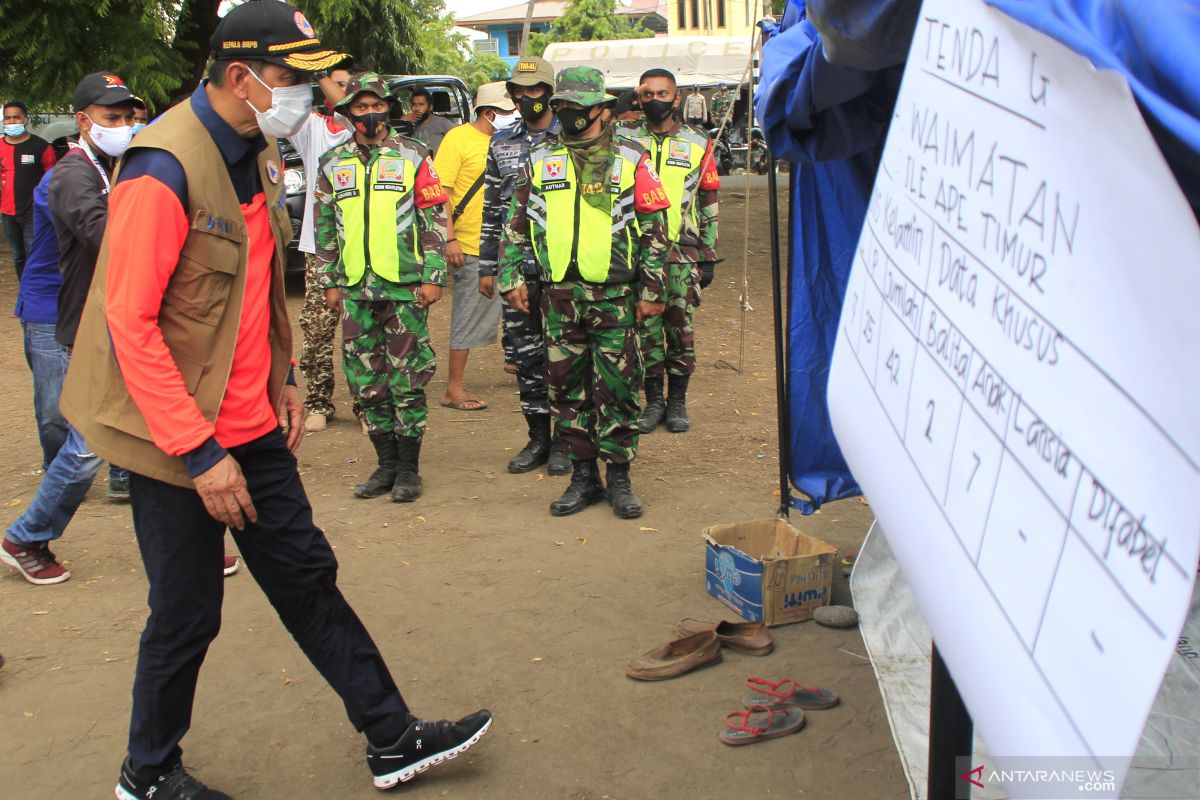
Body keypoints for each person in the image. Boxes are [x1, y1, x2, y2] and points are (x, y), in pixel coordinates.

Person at [59, 5, 489, 797]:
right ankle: (145, 774)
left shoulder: (254, 147)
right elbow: (130, 325)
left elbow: (256, 286)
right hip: (175, 439)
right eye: (295, 77)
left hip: (249, 424)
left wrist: (285, 376)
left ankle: (390, 736)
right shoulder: (161, 170)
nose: (312, 93)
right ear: (240, 78)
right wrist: (197, 453)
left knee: (306, 580)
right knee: (187, 612)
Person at [499, 66, 670, 519]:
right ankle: (583, 478)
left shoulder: (631, 158)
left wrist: (654, 288)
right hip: (558, 296)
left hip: (615, 296)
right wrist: (510, 276)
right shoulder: (539, 160)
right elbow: (516, 225)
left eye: (577, 105)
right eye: (561, 105)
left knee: (616, 390)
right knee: (567, 392)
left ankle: (619, 478)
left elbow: (655, 229)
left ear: (602, 109)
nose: (567, 113)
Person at [1, 72, 137, 586]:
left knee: (137, 431)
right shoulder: (74, 176)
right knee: (80, 439)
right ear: (83, 121)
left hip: (102, 316)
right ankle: (28, 533)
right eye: (113, 118)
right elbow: (108, 237)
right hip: (71, 317)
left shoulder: (107, 167)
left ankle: (185, 543)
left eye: (129, 117)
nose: (125, 126)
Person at [315, 72, 450, 502]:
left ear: (387, 108)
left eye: (377, 106)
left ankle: (409, 469)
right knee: (364, 380)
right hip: (355, 289)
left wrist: (433, 274)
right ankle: (385, 465)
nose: (370, 114)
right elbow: (324, 228)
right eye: (360, 107)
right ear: (348, 112)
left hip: (405, 288)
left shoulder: (415, 155)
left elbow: (433, 218)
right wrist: (329, 281)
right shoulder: (332, 163)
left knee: (407, 378)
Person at [478, 56, 570, 475]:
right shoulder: (501, 142)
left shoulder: (572, 137)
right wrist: (488, 267)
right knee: (526, 358)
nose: (527, 97)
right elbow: (493, 209)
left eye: (536, 90)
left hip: (564, 269)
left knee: (567, 357)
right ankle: (538, 438)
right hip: (517, 269)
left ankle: (568, 442)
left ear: (550, 92)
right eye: (520, 90)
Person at [621, 68, 721, 434]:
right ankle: (654, 401)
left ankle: (677, 400)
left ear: (677, 98)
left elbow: (709, 200)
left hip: (682, 253)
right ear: (639, 97)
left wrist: (708, 254)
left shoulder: (699, 141)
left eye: (663, 94)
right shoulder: (625, 137)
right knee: (644, 329)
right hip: (639, 251)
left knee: (680, 329)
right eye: (648, 95)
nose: (655, 101)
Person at [433, 81, 514, 411]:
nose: (515, 116)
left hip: (508, 244)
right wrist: (449, 238)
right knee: (468, 313)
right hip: (470, 244)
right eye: (509, 111)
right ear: (491, 112)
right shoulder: (458, 139)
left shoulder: (511, 140)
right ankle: (454, 388)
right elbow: (442, 193)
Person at [289, 60, 356, 433]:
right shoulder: (312, 128)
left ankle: (366, 405)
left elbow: (349, 109)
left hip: (361, 249)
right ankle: (318, 401)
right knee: (317, 329)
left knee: (360, 331)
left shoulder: (362, 129)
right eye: (339, 84)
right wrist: (314, 73)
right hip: (321, 249)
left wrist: (327, 78)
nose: (345, 92)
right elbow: (284, 109)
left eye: (352, 87)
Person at [0, 100, 56, 279]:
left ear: (26, 119)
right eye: (7, 118)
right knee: (18, 257)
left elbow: (52, 180)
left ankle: (35, 291)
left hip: (33, 212)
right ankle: (25, 290)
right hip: (8, 213)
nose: (12, 122)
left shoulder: (41, 146)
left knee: (34, 255)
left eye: (16, 117)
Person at [402, 87, 454, 155]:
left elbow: (456, 145)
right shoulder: (406, 123)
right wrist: (402, 121)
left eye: (421, 104)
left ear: (430, 107)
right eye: (414, 104)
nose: (417, 108)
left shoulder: (443, 123)